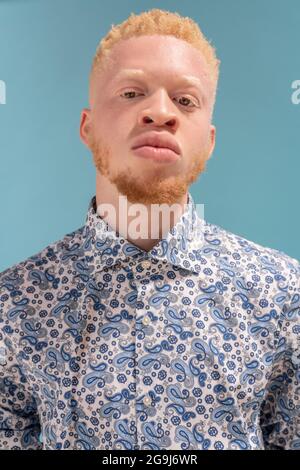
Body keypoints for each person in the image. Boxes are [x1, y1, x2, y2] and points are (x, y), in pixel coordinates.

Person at [0, 8, 299, 450]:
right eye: (131, 92)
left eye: (185, 100)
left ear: (209, 141)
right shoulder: (15, 304)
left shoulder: (284, 295)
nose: (160, 112)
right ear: (88, 127)